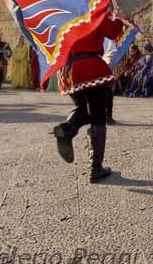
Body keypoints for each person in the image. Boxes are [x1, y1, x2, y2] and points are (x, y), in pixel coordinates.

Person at [52, 11, 130, 183]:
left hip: (69, 69)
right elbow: (112, 31)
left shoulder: (65, 12)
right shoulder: (93, 9)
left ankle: (67, 129)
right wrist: (119, 18)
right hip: (90, 66)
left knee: (83, 110)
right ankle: (95, 169)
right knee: (98, 118)